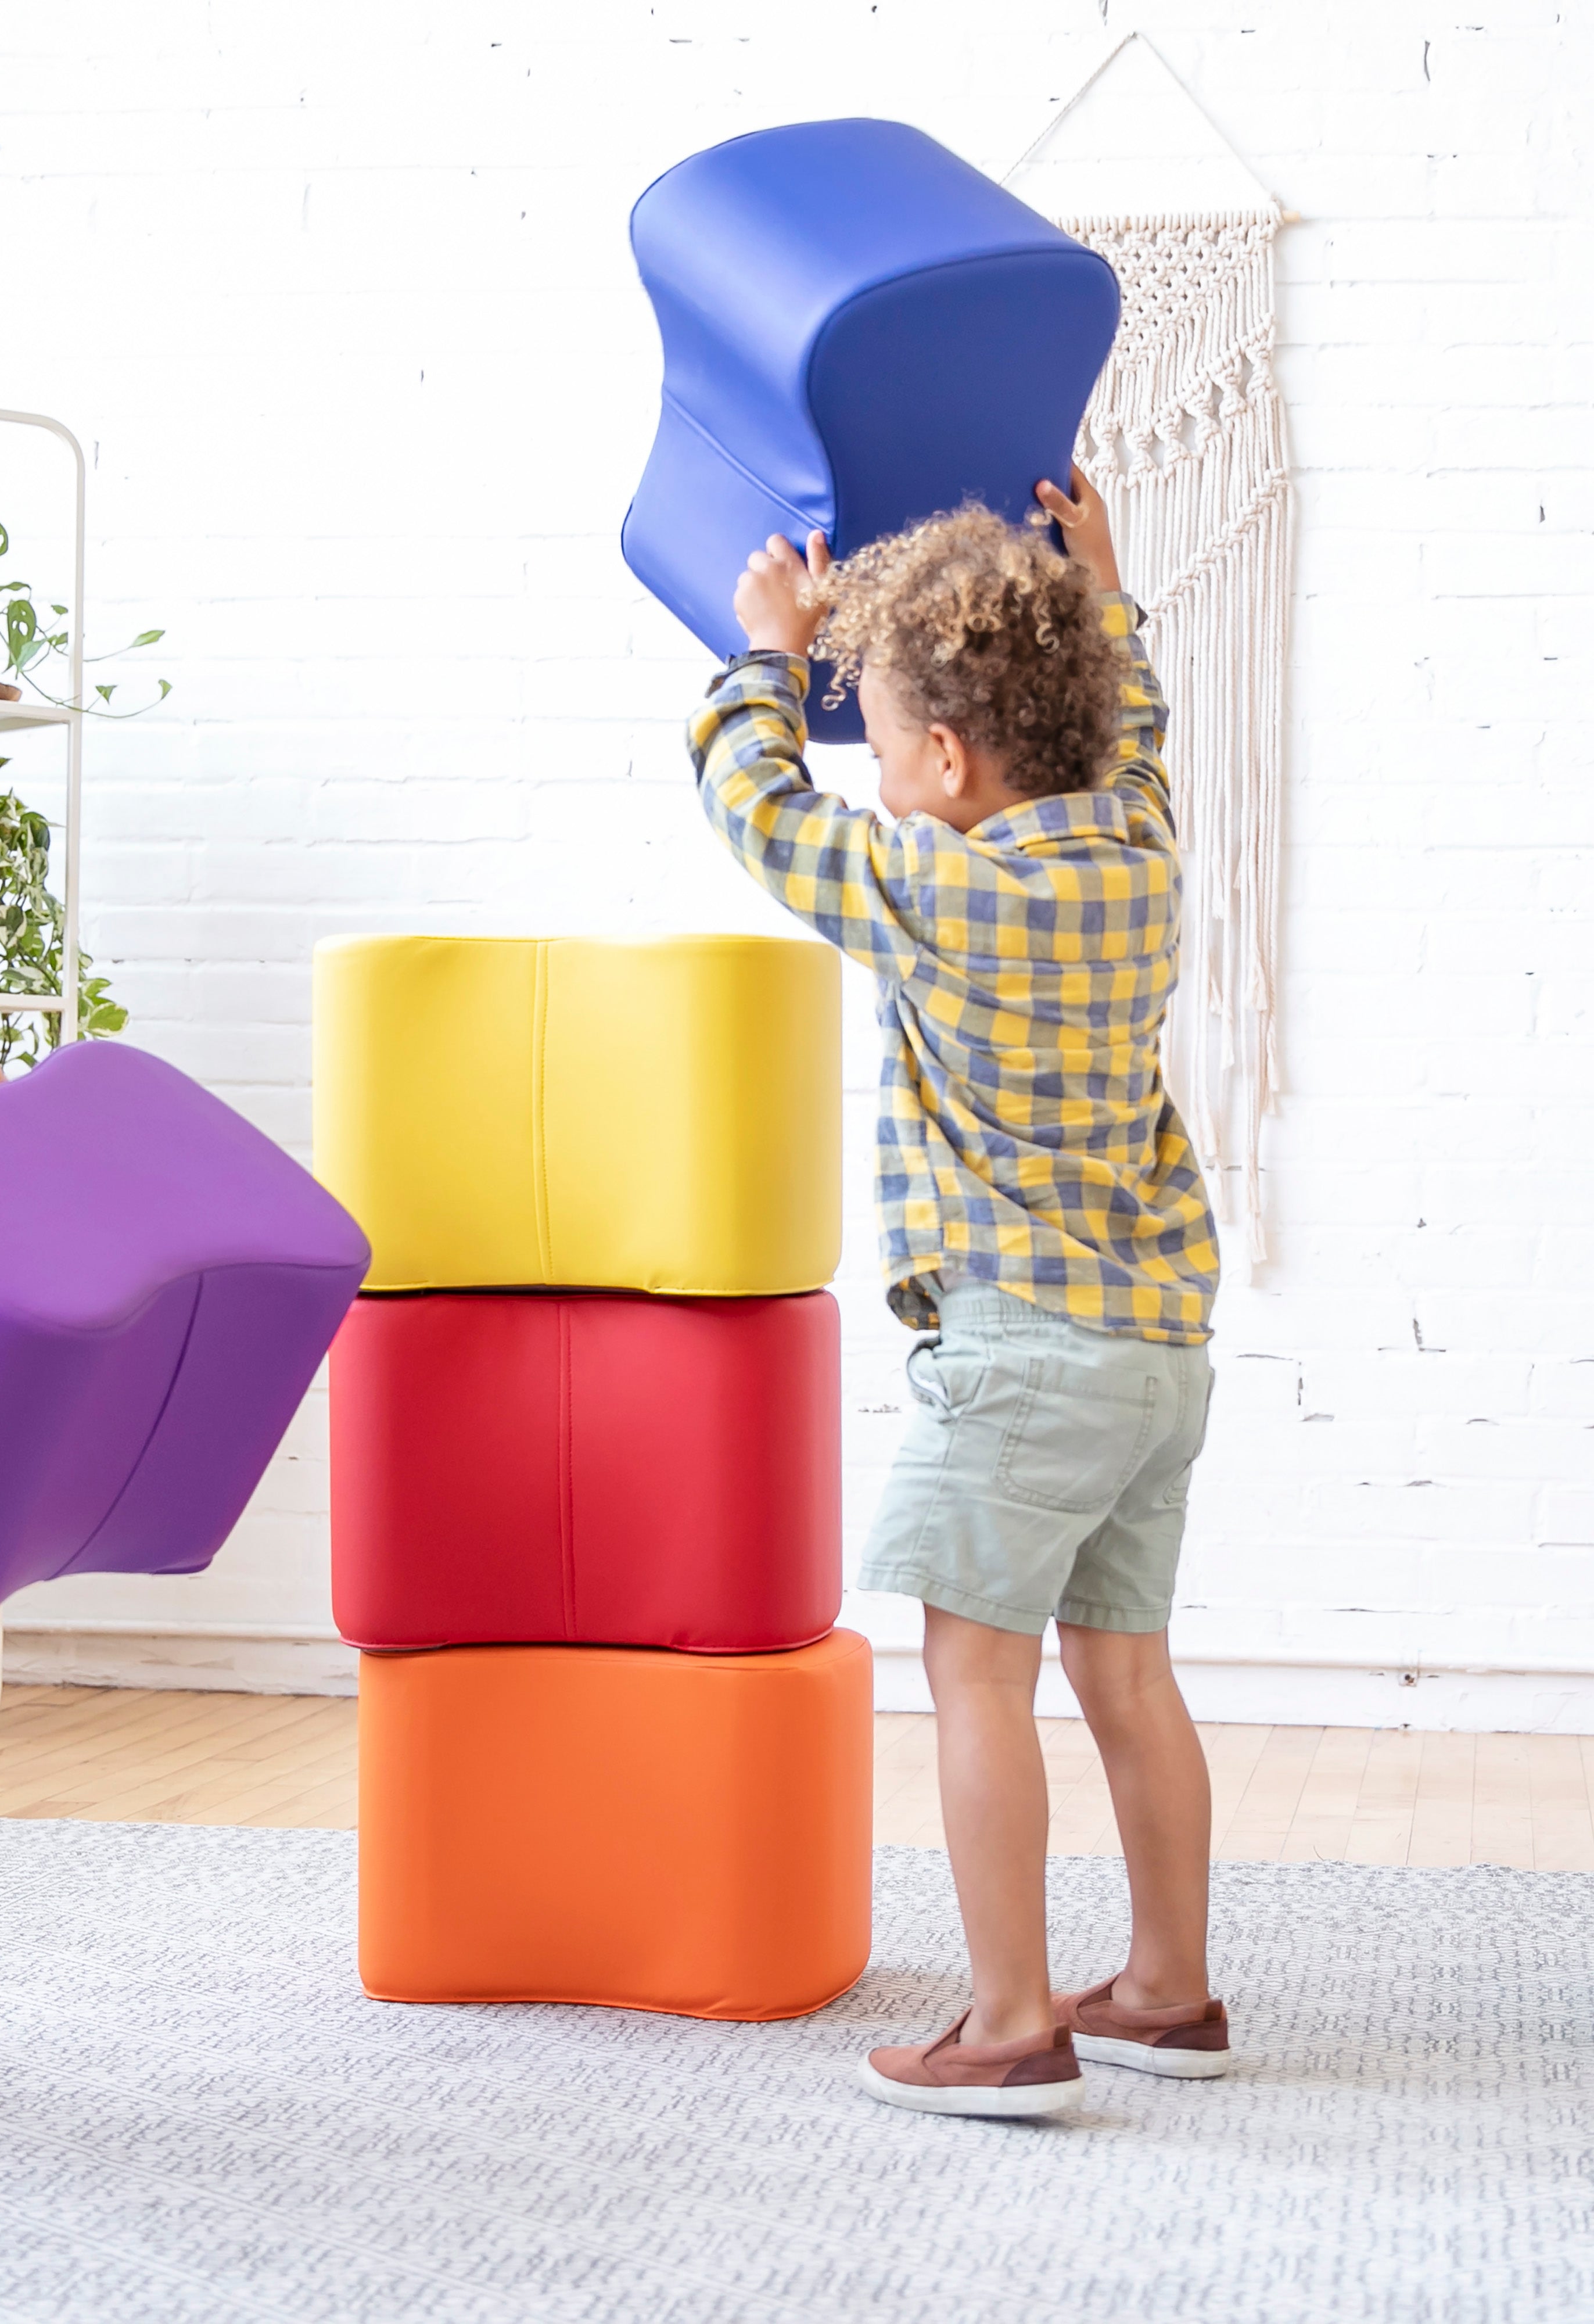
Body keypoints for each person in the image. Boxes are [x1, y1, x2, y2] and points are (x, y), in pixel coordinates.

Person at [688, 474, 1229, 2119]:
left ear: (940, 764)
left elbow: (760, 813)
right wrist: (1111, 595)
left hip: (1018, 1353)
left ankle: (1006, 2020)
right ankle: (1167, 1984)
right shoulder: (1138, 844)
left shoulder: (938, 891)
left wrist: (766, 659)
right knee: (1127, 1670)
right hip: (1158, 1353)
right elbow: (1134, 732)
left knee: (976, 1674)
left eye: (890, 745)